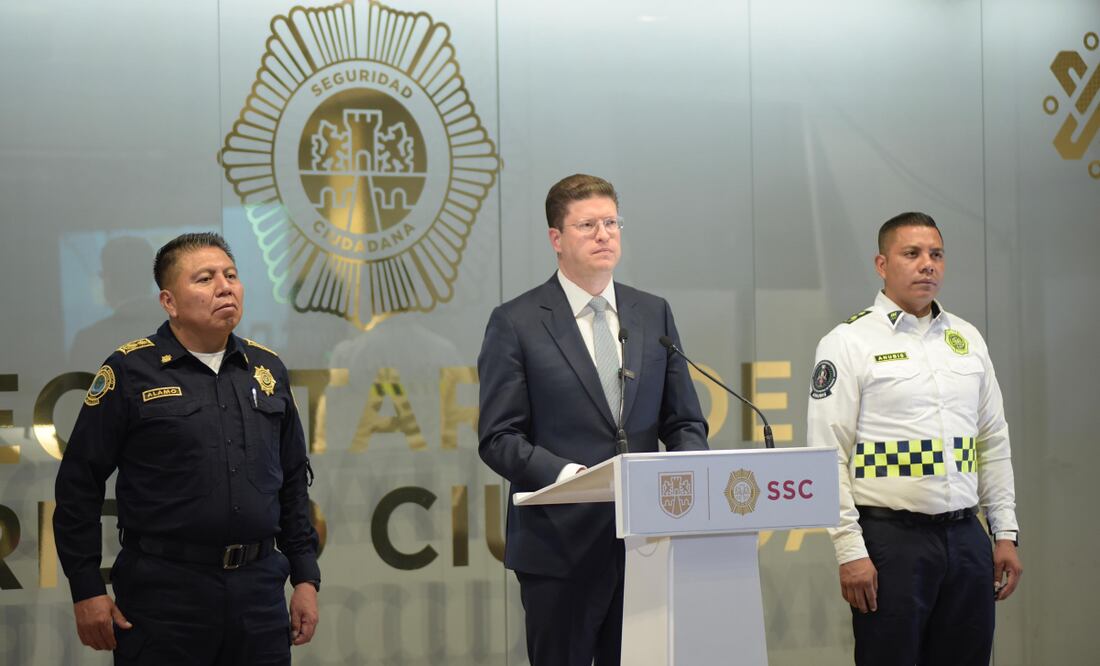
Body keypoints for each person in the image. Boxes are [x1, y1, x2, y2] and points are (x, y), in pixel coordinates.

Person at [54, 232, 320, 665]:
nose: (224, 286)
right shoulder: (130, 371)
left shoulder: (267, 370)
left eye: (230, 275)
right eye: (204, 278)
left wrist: (306, 578)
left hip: (258, 595)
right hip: (165, 598)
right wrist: (86, 588)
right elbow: (78, 486)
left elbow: (292, 483)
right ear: (168, 302)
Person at [477, 174, 709, 665]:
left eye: (611, 223)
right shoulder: (516, 322)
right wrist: (569, 478)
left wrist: (687, 479)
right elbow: (499, 437)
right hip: (559, 549)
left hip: (647, 543)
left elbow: (684, 420)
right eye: (588, 225)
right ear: (556, 239)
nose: (604, 234)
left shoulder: (653, 313)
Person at [806, 212, 1023, 665]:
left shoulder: (967, 338)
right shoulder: (848, 341)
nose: (928, 264)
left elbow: (992, 441)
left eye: (936, 254)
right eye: (912, 254)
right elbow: (826, 454)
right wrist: (850, 550)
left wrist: (1004, 533)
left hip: (966, 538)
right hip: (890, 542)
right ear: (882, 264)